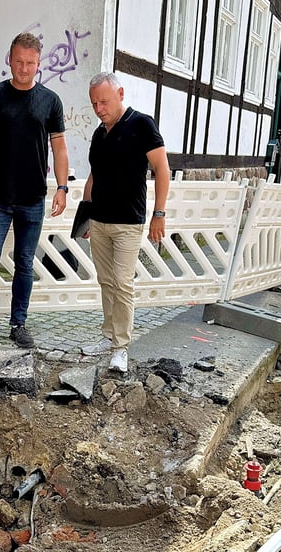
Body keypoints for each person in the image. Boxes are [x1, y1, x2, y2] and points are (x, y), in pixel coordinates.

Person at [0, 32, 70, 352]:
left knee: (24, 263)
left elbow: (59, 148)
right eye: (19, 61)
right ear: (9, 59)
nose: (24, 68)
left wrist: (62, 187)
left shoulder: (50, 101)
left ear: (39, 64)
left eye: (30, 63)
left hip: (33, 198)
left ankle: (18, 325)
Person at [80, 72, 170, 372]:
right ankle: (108, 337)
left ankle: (121, 347)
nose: (99, 108)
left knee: (122, 283)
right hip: (100, 221)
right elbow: (94, 176)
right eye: (94, 103)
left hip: (128, 222)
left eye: (104, 101)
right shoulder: (98, 134)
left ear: (120, 93)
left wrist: (159, 213)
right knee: (106, 281)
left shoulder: (142, 125)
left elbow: (162, 169)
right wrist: (85, 217)